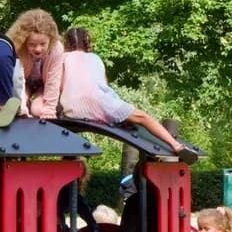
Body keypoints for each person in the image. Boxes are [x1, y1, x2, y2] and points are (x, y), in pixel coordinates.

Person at [58, 27, 198, 163]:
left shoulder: (63, 58)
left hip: (72, 109)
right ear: (87, 42)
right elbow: (104, 86)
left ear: (66, 42)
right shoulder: (95, 59)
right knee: (143, 117)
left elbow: (60, 85)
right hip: (101, 104)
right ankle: (176, 145)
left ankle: (72, 155)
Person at [8, 8, 64, 120]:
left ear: (51, 40)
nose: (38, 49)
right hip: (24, 82)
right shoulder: (18, 48)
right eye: (32, 44)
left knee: (38, 110)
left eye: (43, 44)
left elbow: (53, 81)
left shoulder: (56, 49)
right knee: (16, 106)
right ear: (24, 41)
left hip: (45, 84)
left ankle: (43, 106)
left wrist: (49, 109)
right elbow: (18, 79)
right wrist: (22, 107)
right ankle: (26, 105)